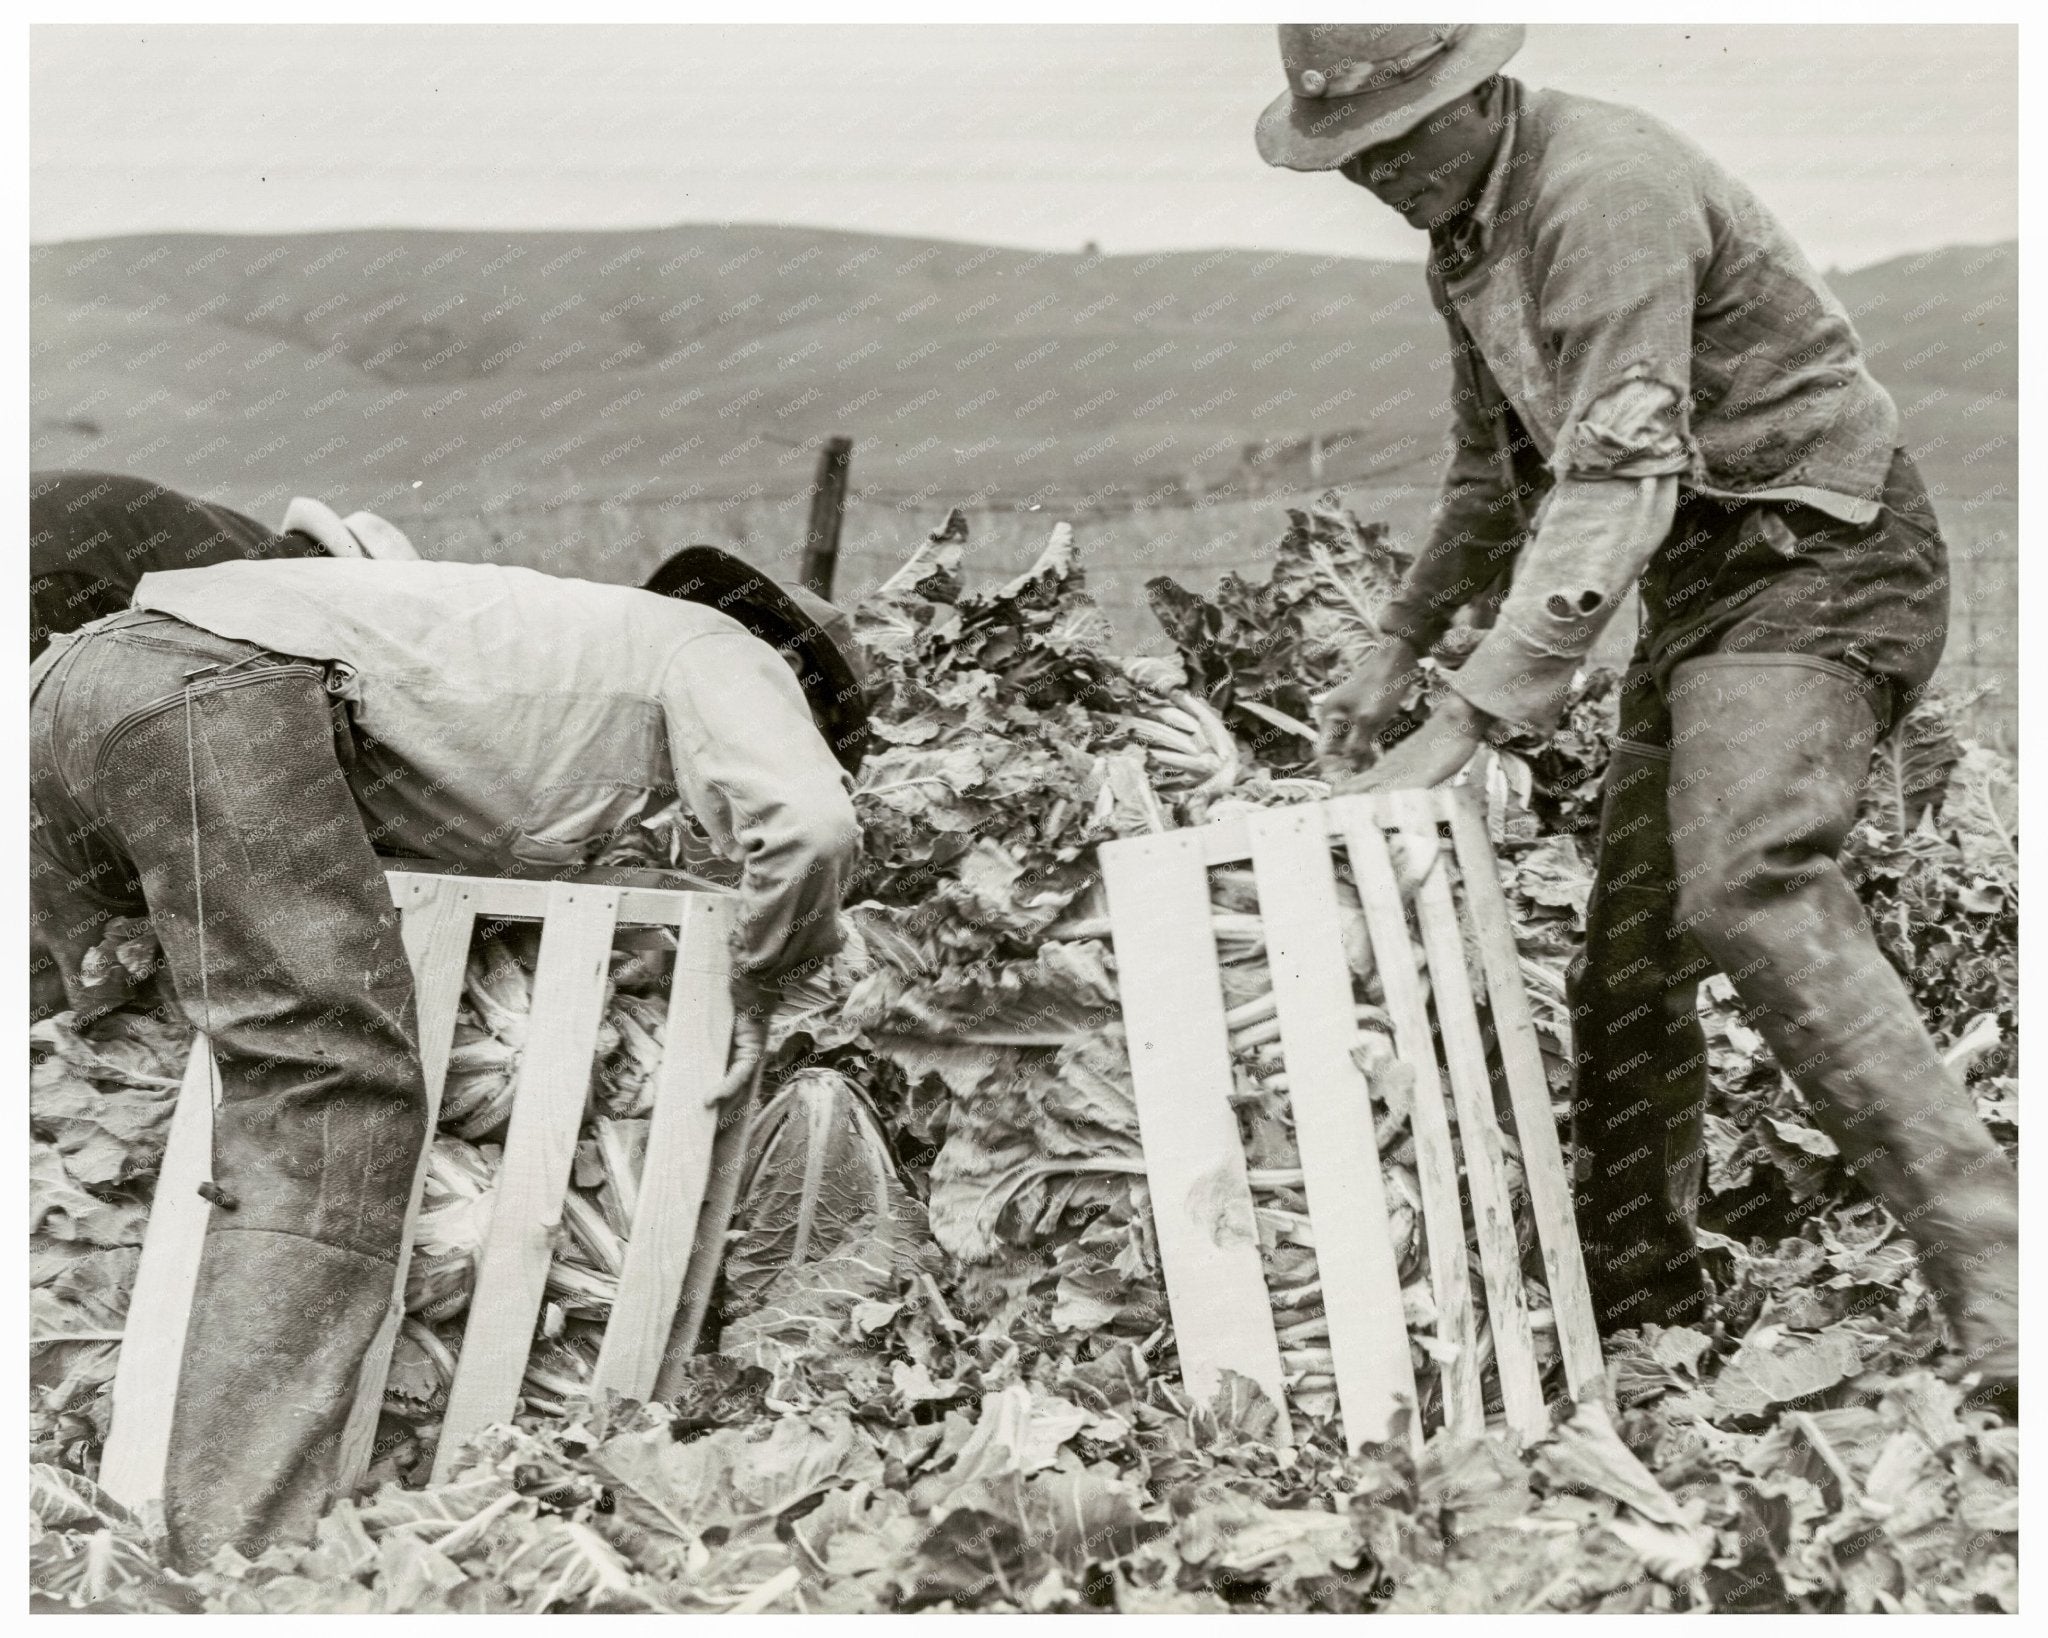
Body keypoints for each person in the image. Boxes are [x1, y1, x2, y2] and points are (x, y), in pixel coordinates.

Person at [1257, 24, 2017, 1404]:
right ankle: (1642, 1315)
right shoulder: (1466, 231)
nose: (1371, 176)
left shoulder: (1600, 190)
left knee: (1747, 881)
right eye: (1348, 156)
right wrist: (1395, 645)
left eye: (1391, 142)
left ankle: (2002, 1273)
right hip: (1701, 581)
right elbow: (1497, 475)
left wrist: (1466, 720)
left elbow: (1616, 476)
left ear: (1474, 97)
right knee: (1626, 967)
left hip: (1819, 551)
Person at [29, 524, 868, 1564]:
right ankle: (237, 1547)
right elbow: (812, 828)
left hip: (70, 693)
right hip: (207, 699)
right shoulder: (725, 653)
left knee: (73, 1032)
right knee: (331, 1089)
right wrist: (763, 972)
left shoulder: (559, 659)